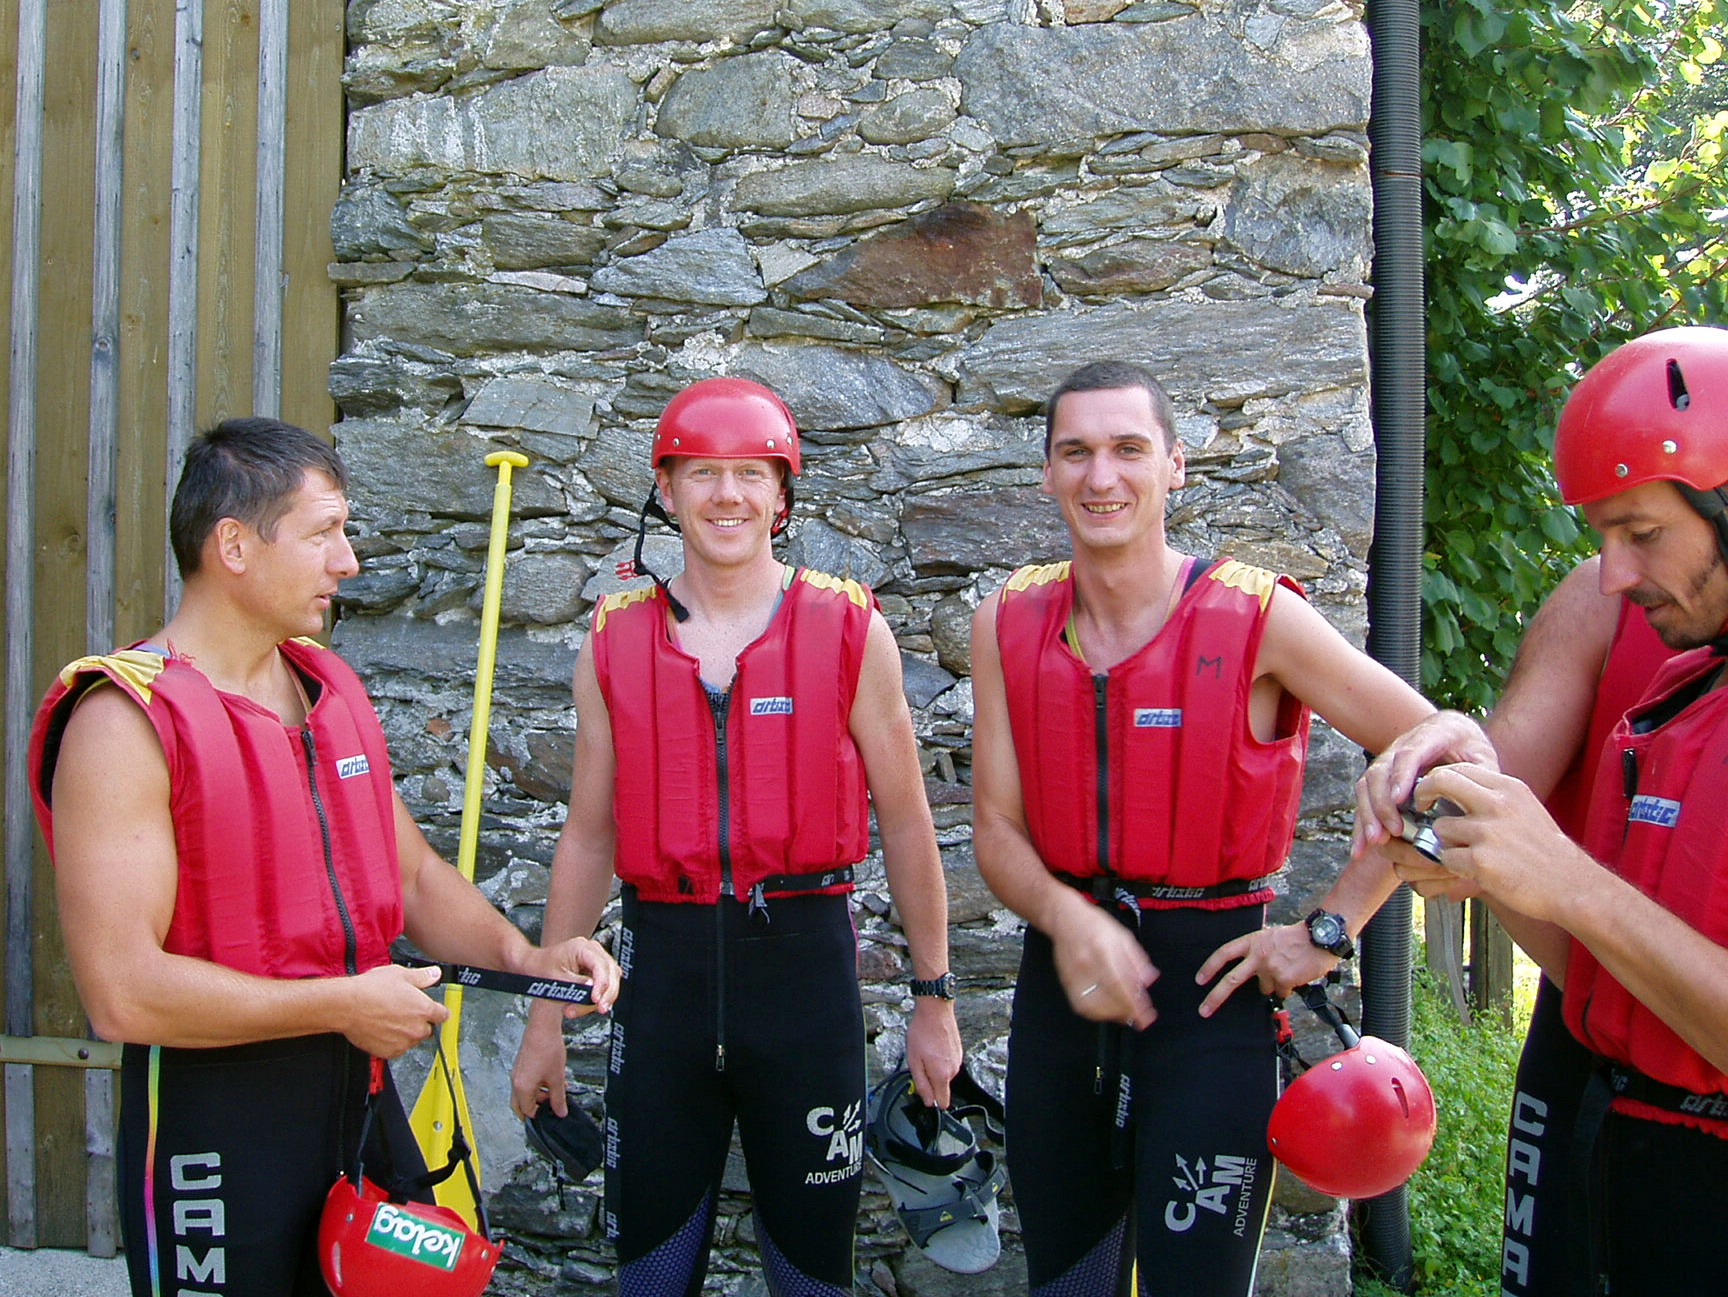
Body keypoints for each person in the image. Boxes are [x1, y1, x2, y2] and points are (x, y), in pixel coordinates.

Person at [27, 417, 621, 1297]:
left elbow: (413, 874)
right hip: (216, 1128)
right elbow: (122, 991)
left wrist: (524, 958)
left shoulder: (325, 685)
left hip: (358, 1102)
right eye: (324, 533)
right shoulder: (122, 722)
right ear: (234, 544)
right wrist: (342, 1004)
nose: (348, 561)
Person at [968, 359, 1436, 1296]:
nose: (1102, 476)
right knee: (1066, 1281)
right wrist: (1070, 920)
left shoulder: (1260, 618)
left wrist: (1330, 928)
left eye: (1128, 449)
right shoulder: (1006, 621)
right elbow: (995, 827)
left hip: (1214, 1004)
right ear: (1048, 472)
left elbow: (1440, 758)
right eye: (1076, 452)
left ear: (1175, 464)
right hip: (1062, 1001)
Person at [509, 377, 962, 1295]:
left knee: (813, 1270)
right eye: (703, 472)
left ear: (781, 493)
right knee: (651, 1273)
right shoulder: (614, 637)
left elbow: (909, 819)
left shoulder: (848, 627)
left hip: (805, 984)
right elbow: (589, 834)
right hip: (661, 986)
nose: (728, 494)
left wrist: (935, 998)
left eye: (751, 472)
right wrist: (544, 1018)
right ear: (666, 489)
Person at [1358, 325, 1728, 1297]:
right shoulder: (1684, 695)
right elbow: (1612, 982)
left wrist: (1565, 879)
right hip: (1623, 1129)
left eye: (1643, 532)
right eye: (1601, 535)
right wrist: (1472, 820)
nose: (1611, 575)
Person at [1462, 556, 1673, 1297]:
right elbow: (1482, 806)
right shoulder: (1603, 592)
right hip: (1588, 1029)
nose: (1622, 559)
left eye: (1643, 531)